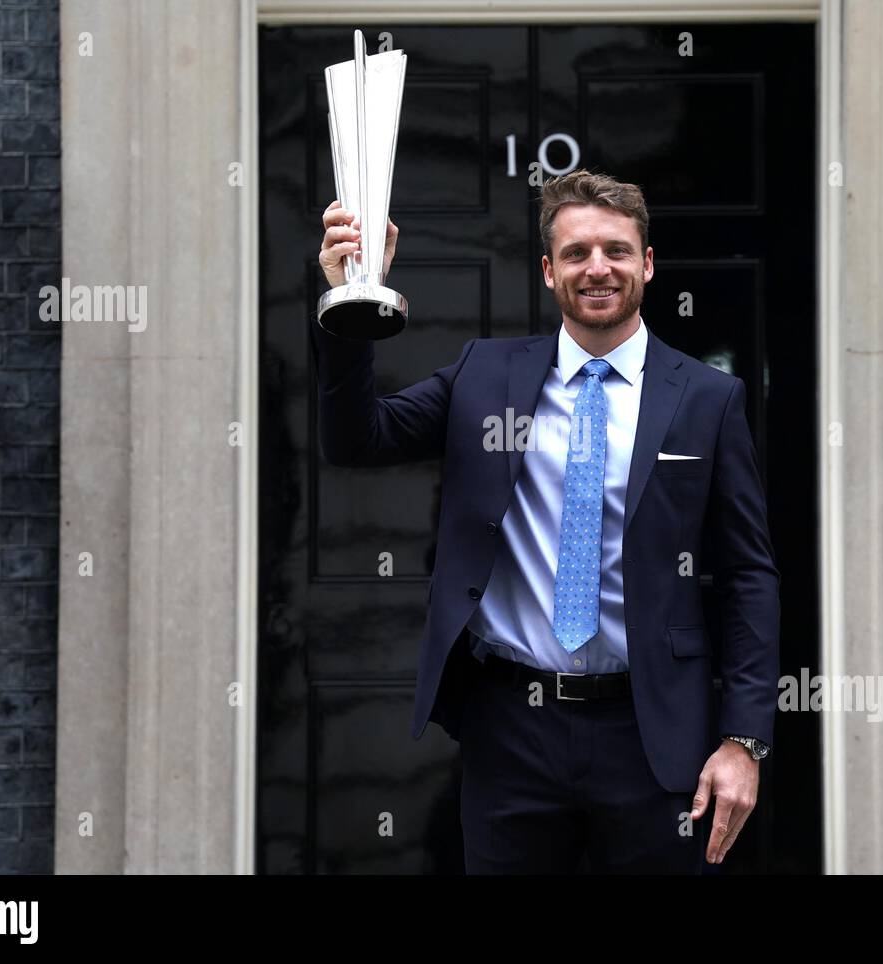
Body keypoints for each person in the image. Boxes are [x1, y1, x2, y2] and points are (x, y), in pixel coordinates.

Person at [312, 169, 780, 874]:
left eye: (617, 251)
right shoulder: (483, 375)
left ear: (647, 264)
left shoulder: (708, 399)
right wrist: (351, 298)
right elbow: (357, 439)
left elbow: (749, 575)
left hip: (652, 731)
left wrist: (744, 740)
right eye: (577, 252)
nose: (598, 268)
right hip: (512, 729)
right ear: (548, 270)